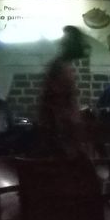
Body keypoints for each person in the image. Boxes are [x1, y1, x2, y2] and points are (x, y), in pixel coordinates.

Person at [37, 26, 91, 156]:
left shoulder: (60, 66)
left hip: (62, 130)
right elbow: (54, 102)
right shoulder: (59, 67)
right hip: (61, 131)